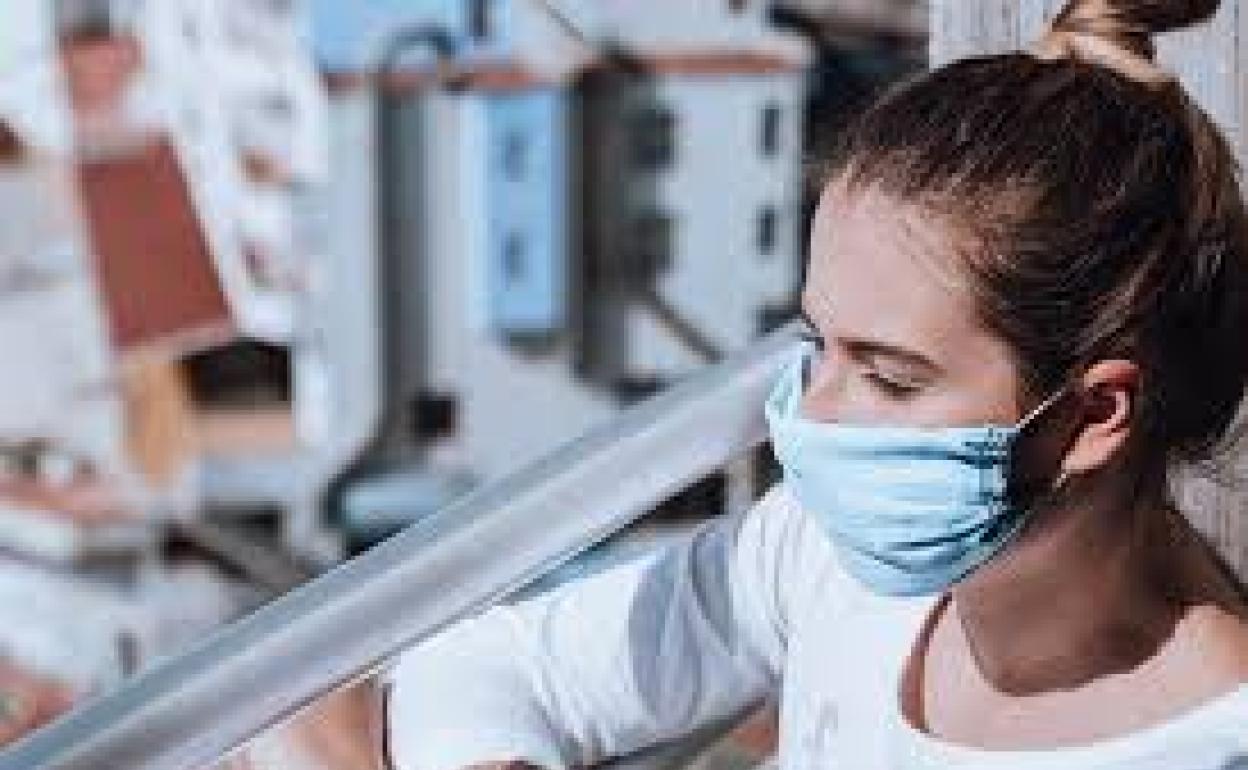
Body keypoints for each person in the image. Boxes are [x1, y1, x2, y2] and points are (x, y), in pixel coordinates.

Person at [384, 0, 1248, 767]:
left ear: (1094, 414)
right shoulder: (821, 560)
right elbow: (482, 672)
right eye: (816, 347)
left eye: (889, 379)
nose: (813, 415)